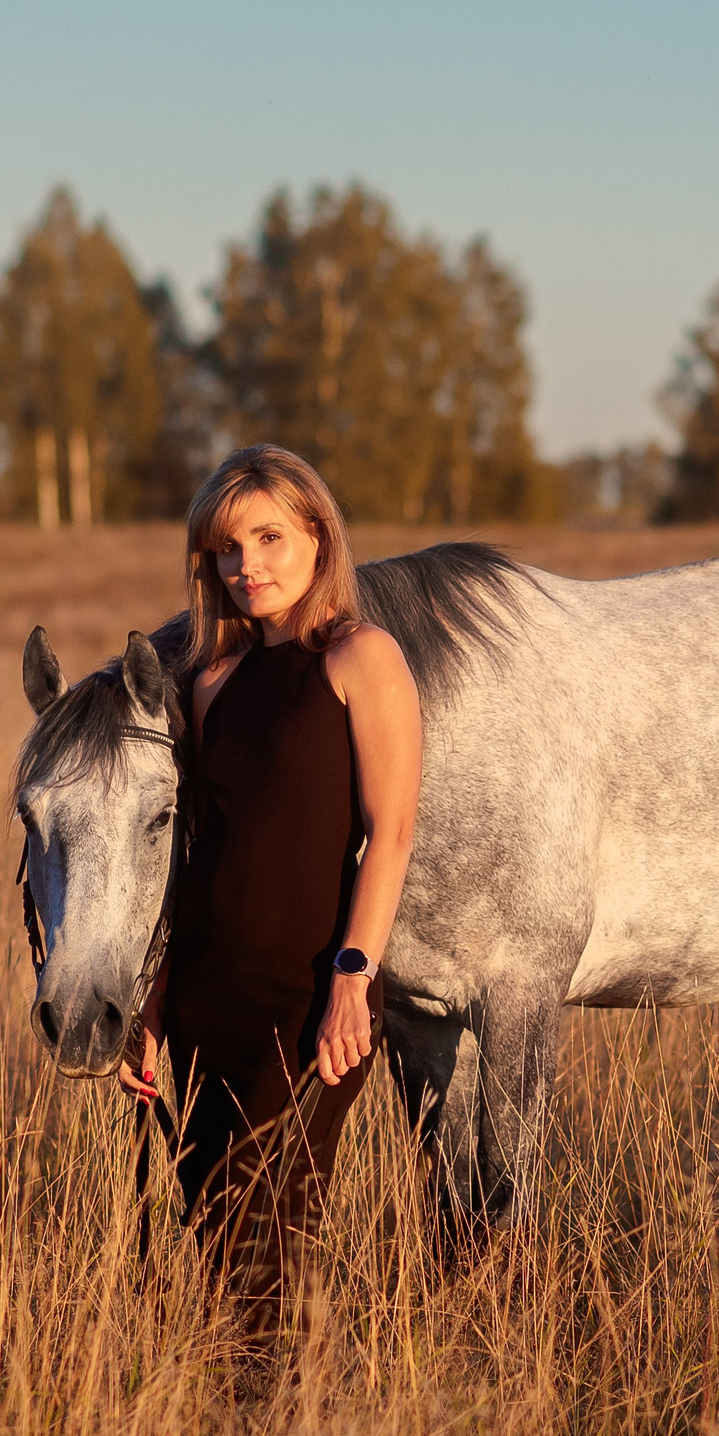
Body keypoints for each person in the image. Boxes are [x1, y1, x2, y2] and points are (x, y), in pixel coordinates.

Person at [120, 444, 421, 1330]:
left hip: (310, 1001)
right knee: (214, 1230)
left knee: (265, 1229)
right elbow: (194, 854)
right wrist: (155, 999)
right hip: (208, 995)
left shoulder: (361, 659)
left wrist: (352, 980)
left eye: (269, 537)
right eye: (225, 548)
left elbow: (391, 834)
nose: (245, 565)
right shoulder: (208, 679)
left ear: (321, 536)